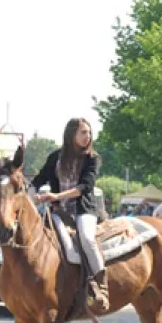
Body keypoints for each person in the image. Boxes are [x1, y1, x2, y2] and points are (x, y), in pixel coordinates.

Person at [31, 118, 108, 312]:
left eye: (89, 132)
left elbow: (85, 187)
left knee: (87, 238)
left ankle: (101, 288)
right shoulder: (55, 157)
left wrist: (56, 195)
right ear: (71, 134)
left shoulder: (93, 158)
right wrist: (32, 196)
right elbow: (39, 179)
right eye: (83, 132)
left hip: (84, 210)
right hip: (59, 211)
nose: (87, 136)